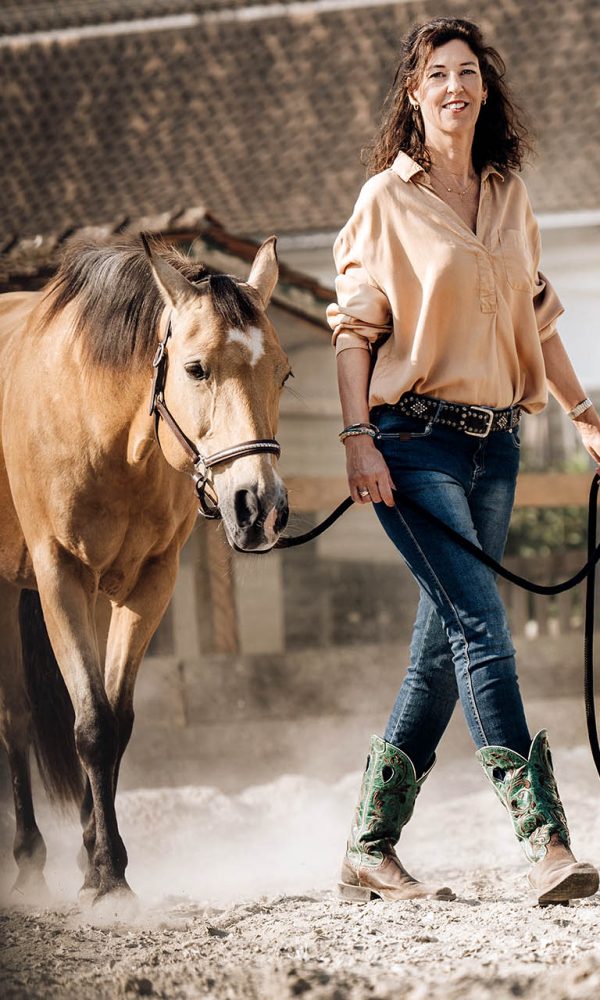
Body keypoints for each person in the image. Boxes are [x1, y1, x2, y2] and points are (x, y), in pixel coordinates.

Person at [327, 16, 600, 906]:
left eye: (468, 72)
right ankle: (548, 843)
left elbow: (539, 318)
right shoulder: (384, 200)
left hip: (498, 446)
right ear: (414, 93)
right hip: (412, 442)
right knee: (483, 629)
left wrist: (588, 417)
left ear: (486, 91)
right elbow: (353, 332)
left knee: (442, 652)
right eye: (437, 73)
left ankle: (370, 846)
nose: (455, 85)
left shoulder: (509, 194)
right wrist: (357, 437)